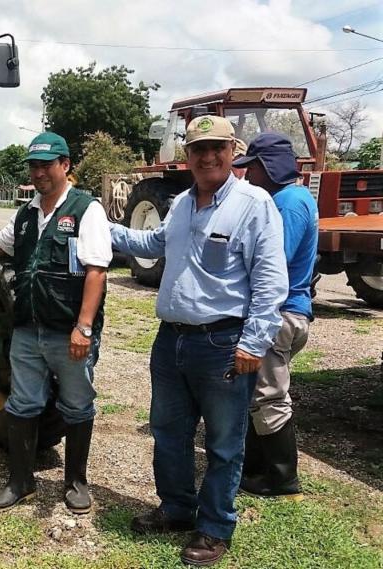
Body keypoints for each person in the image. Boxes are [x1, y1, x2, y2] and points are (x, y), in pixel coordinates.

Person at [110, 116, 288, 566]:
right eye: (198, 149)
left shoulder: (253, 204)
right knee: (169, 433)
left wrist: (254, 342)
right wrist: (99, 225)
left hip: (223, 343)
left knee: (224, 442)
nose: (207, 156)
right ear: (186, 156)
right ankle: (176, 510)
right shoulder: (183, 204)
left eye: (216, 148)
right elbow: (153, 243)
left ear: (233, 150)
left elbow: (270, 282)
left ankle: (213, 527)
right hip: (171, 342)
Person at [0, 132, 112, 515]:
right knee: (22, 403)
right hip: (27, 329)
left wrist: (83, 328)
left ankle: (76, 483)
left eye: (47, 165)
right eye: (34, 166)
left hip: (69, 332)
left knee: (77, 404)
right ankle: (21, 482)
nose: (39, 173)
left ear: (65, 166)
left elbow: (96, 272)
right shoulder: (27, 213)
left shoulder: (87, 210)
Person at [233, 133, 318, 501]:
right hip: (289, 312)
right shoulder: (292, 198)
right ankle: (255, 470)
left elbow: (273, 264)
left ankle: (283, 481)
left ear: (268, 167)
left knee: (269, 395)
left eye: (251, 168)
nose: (247, 176)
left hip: (280, 314)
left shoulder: (288, 202)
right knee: (258, 392)